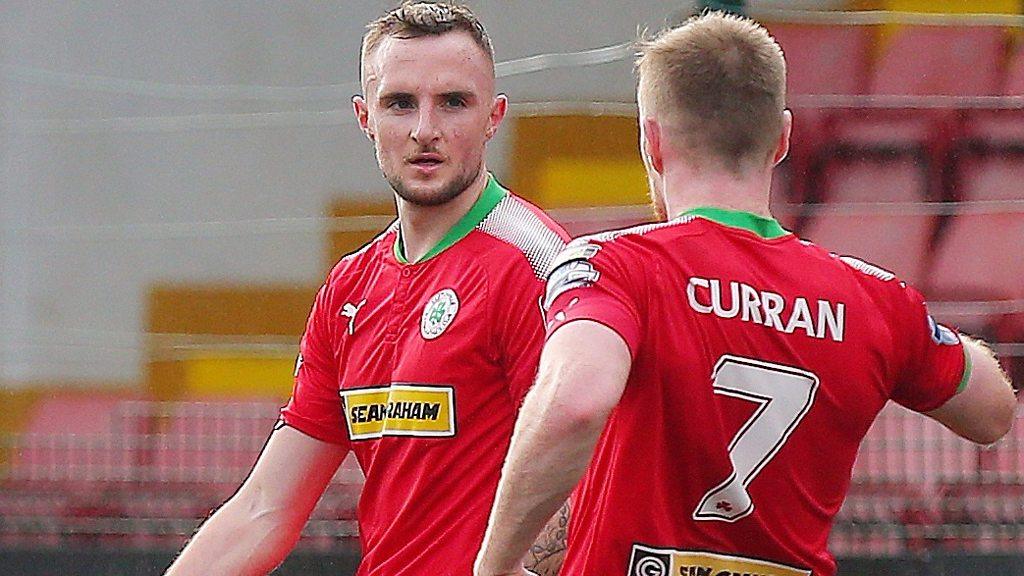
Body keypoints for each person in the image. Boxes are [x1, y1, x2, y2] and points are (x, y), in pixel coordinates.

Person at [475, 11, 1017, 576]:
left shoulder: (615, 268)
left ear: (652, 142)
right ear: (782, 137)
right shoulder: (876, 301)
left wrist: (494, 565)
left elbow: (575, 401)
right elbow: (994, 412)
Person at [165, 3, 570, 575]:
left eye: (454, 102)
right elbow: (264, 510)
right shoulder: (348, 287)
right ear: (365, 117)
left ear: (494, 117)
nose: (425, 129)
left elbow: (586, 482)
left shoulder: (535, 265)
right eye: (400, 103)